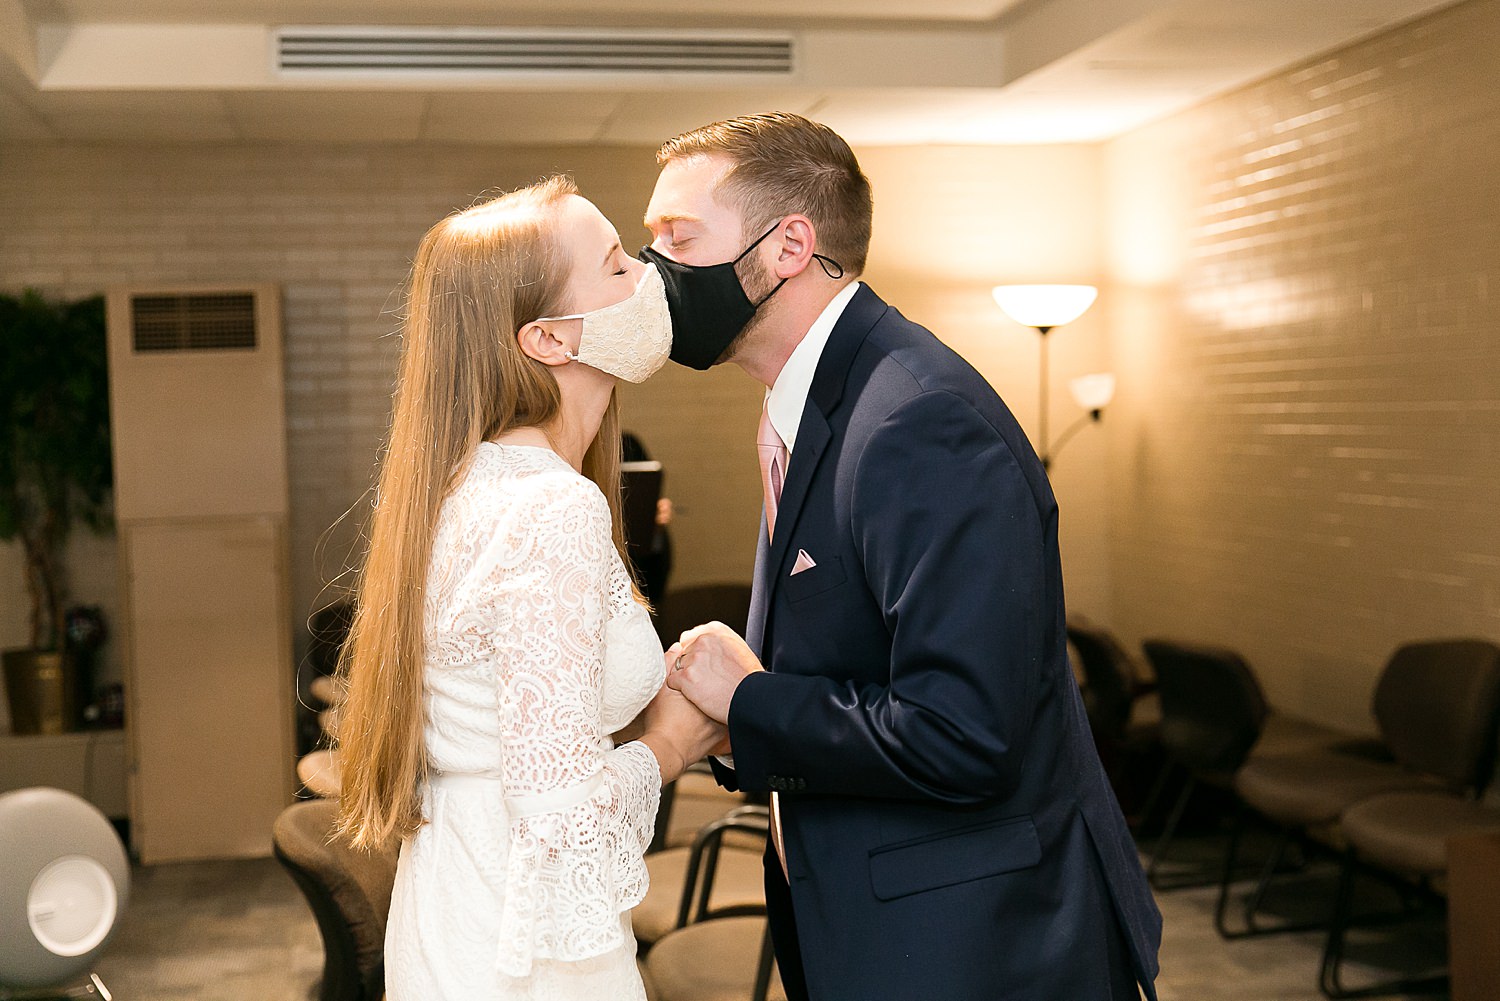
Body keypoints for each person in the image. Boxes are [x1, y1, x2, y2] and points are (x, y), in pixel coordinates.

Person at [643, 114, 1163, 1000]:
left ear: (788, 246)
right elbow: (855, 668)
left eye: (678, 239)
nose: (654, 270)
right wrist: (743, 720)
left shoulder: (920, 419)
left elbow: (965, 733)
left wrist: (751, 698)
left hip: (979, 945)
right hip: (878, 920)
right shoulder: (808, 402)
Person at [333, 175, 725, 1001]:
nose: (652, 277)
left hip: (458, 913)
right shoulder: (548, 506)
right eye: (618, 266)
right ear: (548, 338)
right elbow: (562, 820)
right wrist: (675, 741)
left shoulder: (467, 484)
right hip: (527, 952)